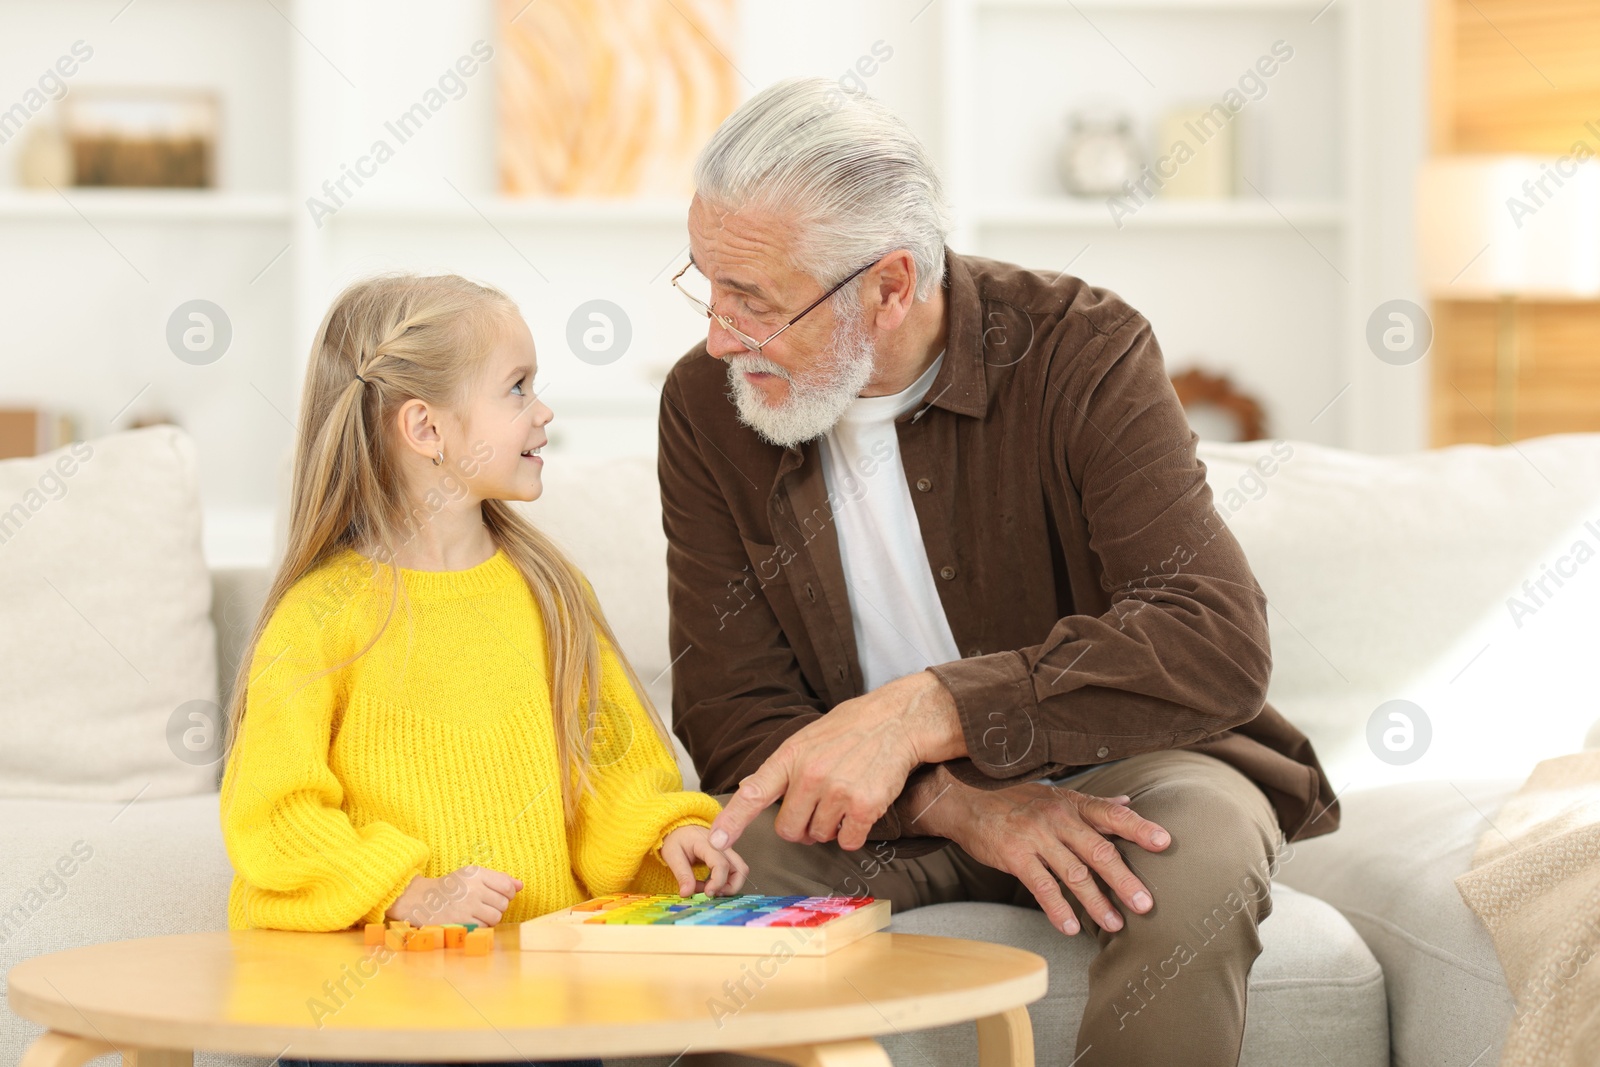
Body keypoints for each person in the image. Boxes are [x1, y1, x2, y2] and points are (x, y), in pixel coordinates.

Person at [658, 78, 1341, 1067]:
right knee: (745, 871)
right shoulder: (706, 404)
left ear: (890, 286)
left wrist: (930, 707)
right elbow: (735, 716)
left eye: (752, 299)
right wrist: (959, 797)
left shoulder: (1080, 347)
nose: (718, 334)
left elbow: (1212, 635)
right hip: (884, 810)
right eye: (706, 282)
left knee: (1193, 855)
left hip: (1127, 767)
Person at [220, 272, 747, 1067]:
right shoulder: (319, 618)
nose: (544, 411)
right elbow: (275, 813)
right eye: (517, 387)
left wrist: (669, 832)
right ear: (426, 428)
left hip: (536, 1008)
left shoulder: (551, 595)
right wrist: (414, 894)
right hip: (364, 1004)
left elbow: (614, 767)